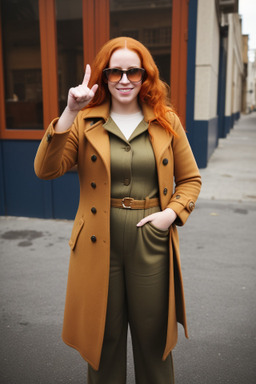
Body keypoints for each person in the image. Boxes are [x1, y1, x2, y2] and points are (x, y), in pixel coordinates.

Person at [34, 36, 201, 384]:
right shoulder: (84, 120)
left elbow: (190, 180)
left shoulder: (166, 120)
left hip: (150, 239)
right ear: (104, 76)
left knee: (154, 339)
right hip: (98, 240)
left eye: (133, 72)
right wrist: (69, 112)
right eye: (115, 72)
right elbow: (46, 169)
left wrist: (169, 215)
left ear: (145, 76)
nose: (124, 80)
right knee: (103, 339)